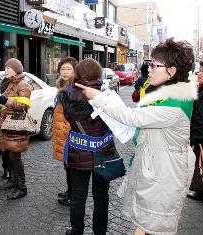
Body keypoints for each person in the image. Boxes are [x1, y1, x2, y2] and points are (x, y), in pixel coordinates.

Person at [77, 38, 196, 235]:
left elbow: (131, 117)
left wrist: (97, 97)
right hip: (159, 171)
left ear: (172, 71)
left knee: (154, 227)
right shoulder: (167, 95)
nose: (149, 69)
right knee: (147, 226)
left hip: (164, 177)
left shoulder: (175, 105)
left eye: (155, 65)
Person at [59, 59, 117, 235]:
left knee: (78, 195)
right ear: (98, 75)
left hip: (79, 150)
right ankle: (100, 232)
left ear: (78, 74)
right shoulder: (106, 95)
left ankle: (76, 230)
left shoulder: (67, 95)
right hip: (103, 151)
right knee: (101, 197)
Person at [0, 58, 32, 200]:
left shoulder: (24, 85)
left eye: (8, 68)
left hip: (16, 126)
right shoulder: (10, 83)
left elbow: (24, 106)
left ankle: (22, 187)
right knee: (9, 155)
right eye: (5, 68)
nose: (5, 71)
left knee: (15, 156)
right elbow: (4, 100)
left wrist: (7, 101)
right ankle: (12, 181)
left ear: (16, 69)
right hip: (6, 124)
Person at [52, 57, 78, 206]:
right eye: (62, 69)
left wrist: (68, 130)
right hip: (62, 132)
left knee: (72, 166)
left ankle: (73, 196)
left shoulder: (73, 89)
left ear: (75, 70)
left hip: (69, 133)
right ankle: (70, 191)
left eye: (68, 69)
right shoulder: (61, 87)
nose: (65, 72)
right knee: (67, 166)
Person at [187, 60, 203, 201]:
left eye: (202, 71)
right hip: (198, 135)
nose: (198, 73)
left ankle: (200, 191)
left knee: (200, 166)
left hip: (200, 137)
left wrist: (196, 139)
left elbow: (200, 118)